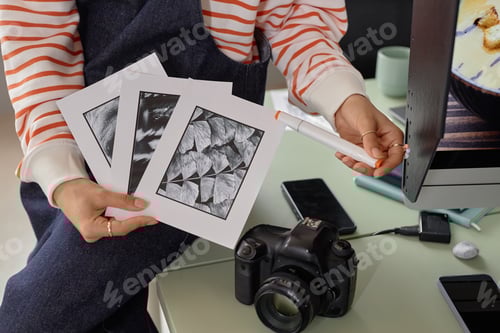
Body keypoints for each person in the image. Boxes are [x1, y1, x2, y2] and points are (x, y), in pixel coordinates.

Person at [0, 0, 404, 332]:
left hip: (208, 153)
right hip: (77, 138)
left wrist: (342, 97)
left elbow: (293, 15)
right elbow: (38, 42)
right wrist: (62, 172)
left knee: (33, 317)